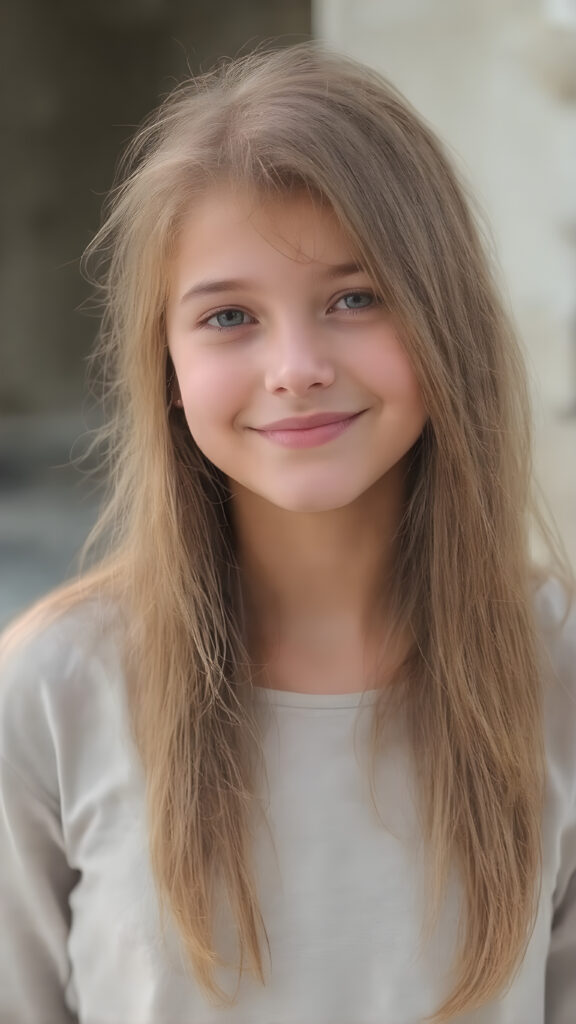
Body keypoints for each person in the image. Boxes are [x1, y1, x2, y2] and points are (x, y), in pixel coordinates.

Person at [0, 43, 574, 1024]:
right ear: (166, 367)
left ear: (447, 319)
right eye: (229, 316)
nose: (297, 365)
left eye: (355, 298)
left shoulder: (555, 667)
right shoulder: (51, 691)